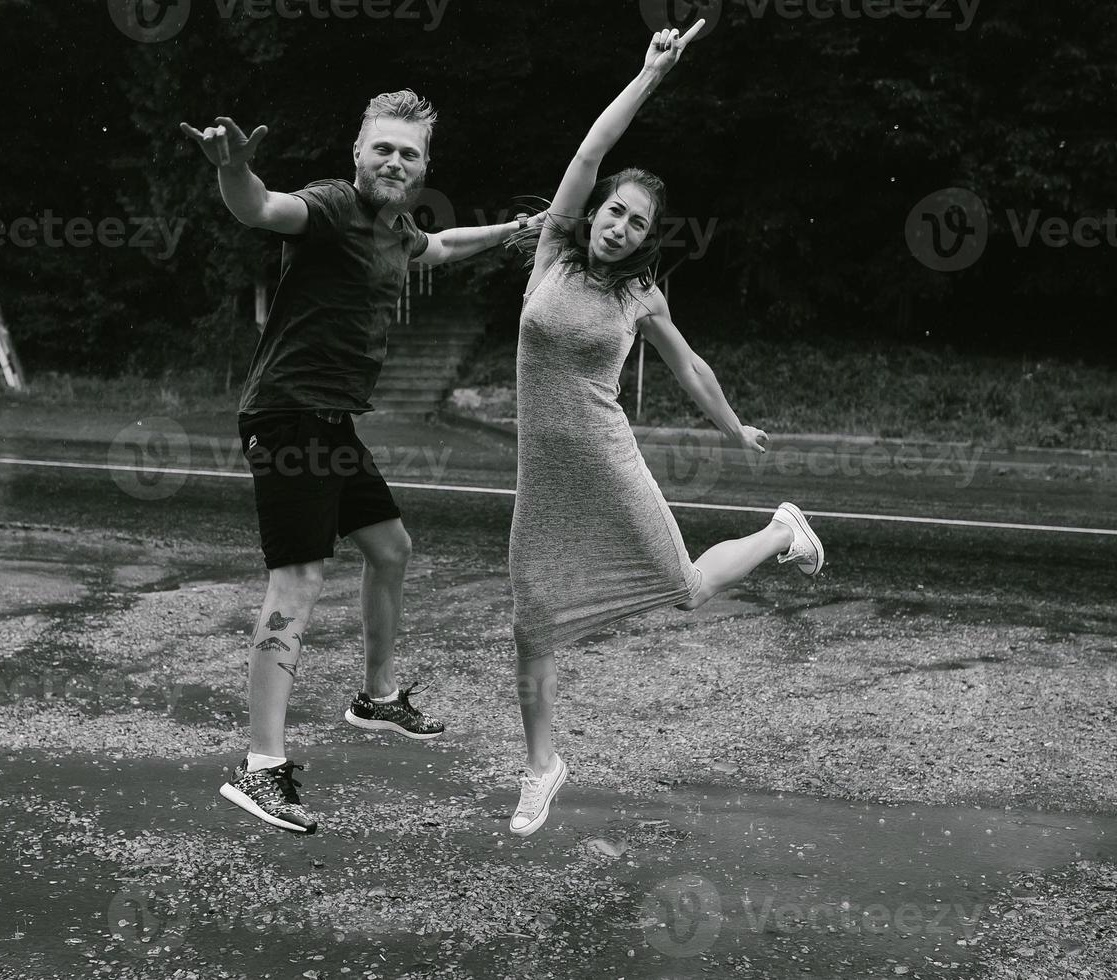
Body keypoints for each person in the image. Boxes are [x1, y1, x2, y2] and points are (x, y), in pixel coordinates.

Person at [180, 91, 536, 834]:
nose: (395, 161)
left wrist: (511, 231)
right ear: (358, 153)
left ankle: (375, 696)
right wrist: (234, 171)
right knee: (299, 579)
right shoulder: (337, 206)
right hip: (285, 415)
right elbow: (263, 209)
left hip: (331, 423)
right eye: (383, 148)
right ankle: (261, 769)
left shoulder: (396, 231)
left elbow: (442, 246)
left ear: (423, 166)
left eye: (408, 153)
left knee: (390, 547)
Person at [505, 24, 826, 837]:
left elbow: (688, 366)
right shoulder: (553, 250)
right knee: (531, 621)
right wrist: (649, 74)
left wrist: (732, 428)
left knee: (684, 590)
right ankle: (542, 768)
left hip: (608, 461)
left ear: (648, 239)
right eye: (614, 210)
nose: (618, 226)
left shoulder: (641, 297)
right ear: (597, 209)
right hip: (542, 475)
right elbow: (590, 146)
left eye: (636, 223)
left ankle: (781, 532)